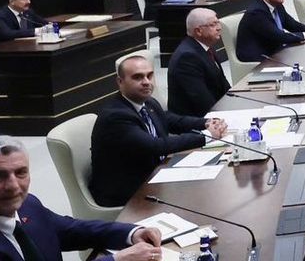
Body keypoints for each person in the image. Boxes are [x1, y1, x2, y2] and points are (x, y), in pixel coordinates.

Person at [0, 136, 162, 261]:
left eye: (20, 173)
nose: (13, 186)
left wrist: (132, 233)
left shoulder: (27, 205)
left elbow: (72, 229)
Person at [90, 54, 227, 207]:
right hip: (129, 192)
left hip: (154, 175)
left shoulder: (147, 102)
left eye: (149, 76)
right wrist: (206, 136)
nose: (146, 82)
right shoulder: (116, 116)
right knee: (200, 198)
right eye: (138, 77)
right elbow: (155, 146)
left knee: (212, 183)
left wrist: (206, 123)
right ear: (120, 82)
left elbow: (170, 120)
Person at [167, 9, 230, 116]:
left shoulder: (205, 46)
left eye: (218, 22)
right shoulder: (187, 58)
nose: (219, 28)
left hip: (215, 110)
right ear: (198, 31)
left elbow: (222, 85)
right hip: (195, 121)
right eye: (213, 24)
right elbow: (202, 101)